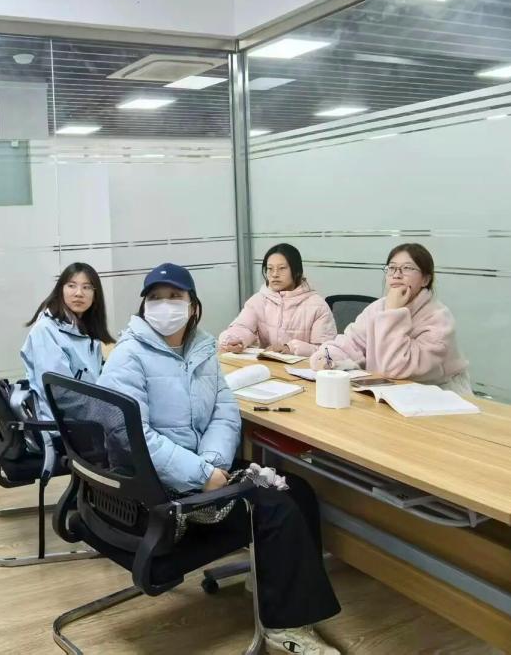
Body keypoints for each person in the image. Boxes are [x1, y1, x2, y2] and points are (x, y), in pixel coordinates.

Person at [99, 263, 342, 655]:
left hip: (202, 471)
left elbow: (224, 411)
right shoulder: (128, 356)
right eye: (155, 298)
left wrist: (213, 464)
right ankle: (285, 625)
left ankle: (272, 585)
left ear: (193, 306)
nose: (165, 305)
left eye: (175, 297)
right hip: (163, 493)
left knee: (297, 489)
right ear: (143, 306)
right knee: (275, 506)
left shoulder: (201, 348)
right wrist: (201, 474)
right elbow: (132, 437)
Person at [310, 243, 471, 395]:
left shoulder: (438, 318)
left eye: (407, 268)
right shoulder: (377, 307)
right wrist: (328, 357)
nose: (396, 274)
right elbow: (350, 343)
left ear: (425, 279)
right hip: (386, 392)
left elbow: (397, 368)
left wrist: (393, 312)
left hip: (437, 396)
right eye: (392, 268)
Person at [21, 262, 113, 419]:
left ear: (95, 295)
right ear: (61, 290)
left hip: (84, 415)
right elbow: (60, 394)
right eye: (71, 286)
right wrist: (107, 413)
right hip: (63, 424)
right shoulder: (46, 330)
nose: (79, 293)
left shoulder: (85, 329)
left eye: (87, 287)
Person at [219, 243, 336, 357]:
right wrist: (235, 340)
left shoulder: (317, 305)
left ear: (297, 271)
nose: (275, 274)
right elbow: (243, 327)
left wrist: (291, 348)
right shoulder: (258, 300)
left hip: (303, 368)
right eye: (270, 269)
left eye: (282, 268)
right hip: (267, 366)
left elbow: (327, 351)